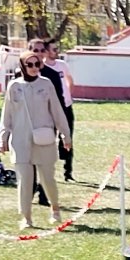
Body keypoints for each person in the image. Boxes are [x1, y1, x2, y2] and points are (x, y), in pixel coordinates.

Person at [0, 48, 71, 230]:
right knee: (25, 180)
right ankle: (26, 218)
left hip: (43, 138)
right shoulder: (14, 86)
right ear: (23, 66)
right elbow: (6, 114)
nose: (34, 68)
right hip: (20, 139)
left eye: (37, 64)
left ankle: (55, 209)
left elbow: (57, 110)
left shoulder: (46, 84)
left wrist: (65, 134)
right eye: (29, 64)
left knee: (47, 178)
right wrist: (3, 137)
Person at [46, 41, 75, 180]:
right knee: (49, 138)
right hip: (50, 107)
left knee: (68, 137)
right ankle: (48, 170)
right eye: (54, 49)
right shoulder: (42, 68)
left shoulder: (62, 65)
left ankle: (68, 171)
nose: (57, 51)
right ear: (46, 51)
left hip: (66, 106)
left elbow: (70, 80)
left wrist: (68, 96)